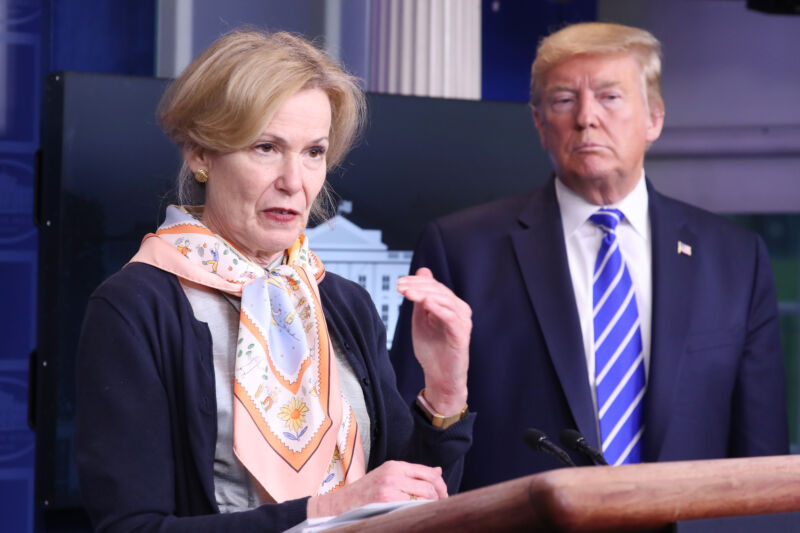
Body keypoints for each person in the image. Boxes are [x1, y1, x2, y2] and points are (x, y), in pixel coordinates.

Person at [75, 30, 473, 532]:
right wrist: (325, 511)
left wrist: (443, 394)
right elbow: (131, 528)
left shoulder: (343, 303)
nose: (294, 180)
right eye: (266, 147)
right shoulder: (136, 306)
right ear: (201, 154)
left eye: (314, 152)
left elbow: (414, 501)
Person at [390, 22, 788, 491]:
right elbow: (412, 441)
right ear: (540, 124)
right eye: (563, 100)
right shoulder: (461, 249)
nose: (586, 118)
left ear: (654, 118)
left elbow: (763, 461)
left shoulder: (736, 260)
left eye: (610, 97)